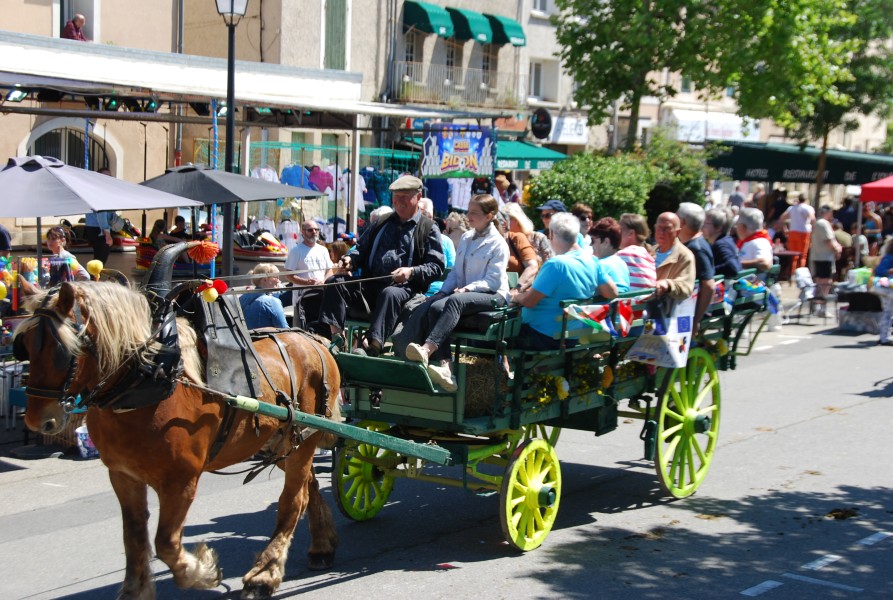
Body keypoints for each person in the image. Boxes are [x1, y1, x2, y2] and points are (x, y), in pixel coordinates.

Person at [313, 175, 445, 356]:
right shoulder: (381, 222)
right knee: (335, 282)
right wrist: (350, 259)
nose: (399, 202)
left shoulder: (429, 228)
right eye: (396, 197)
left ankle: (372, 345)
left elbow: (436, 266)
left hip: (405, 292)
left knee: (389, 293)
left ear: (418, 196)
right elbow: (360, 248)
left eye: (404, 197)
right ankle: (336, 337)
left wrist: (411, 271)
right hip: (370, 287)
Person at [402, 194, 510, 391]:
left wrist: (467, 289)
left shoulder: (499, 243)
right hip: (466, 294)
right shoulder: (467, 238)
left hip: (494, 294)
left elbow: (493, 281)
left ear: (489, 216)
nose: (469, 216)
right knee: (435, 307)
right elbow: (456, 274)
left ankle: (427, 350)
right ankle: (446, 369)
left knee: (456, 301)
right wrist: (442, 292)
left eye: (474, 213)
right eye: (468, 211)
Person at [510, 213, 617, 350]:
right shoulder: (592, 261)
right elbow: (612, 292)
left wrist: (516, 296)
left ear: (552, 234)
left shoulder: (556, 264)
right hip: (572, 336)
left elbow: (529, 302)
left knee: (491, 338)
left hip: (541, 336)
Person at [285, 220, 334, 328]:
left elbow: (329, 270)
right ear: (303, 232)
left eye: (316, 230)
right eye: (310, 230)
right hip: (301, 301)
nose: (314, 232)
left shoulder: (323, 250)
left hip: (321, 297)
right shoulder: (296, 250)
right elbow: (288, 275)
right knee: (301, 333)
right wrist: (307, 282)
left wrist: (324, 281)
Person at [677, 203, 716, 335]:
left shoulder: (697, 248)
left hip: (687, 312)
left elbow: (709, 285)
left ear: (682, 222)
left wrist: (695, 320)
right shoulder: (691, 245)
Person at [653, 212, 696, 301]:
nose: (661, 232)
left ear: (677, 232)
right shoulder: (649, 251)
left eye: (667, 228)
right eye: (659, 228)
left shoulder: (685, 256)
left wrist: (668, 284)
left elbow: (686, 287)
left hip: (664, 310)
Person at [239, 264, 290, 330]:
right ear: (265, 280)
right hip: (265, 338)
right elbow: (284, 328)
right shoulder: (273, 302)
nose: (278, 281)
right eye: (276, 277)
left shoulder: (242, 298)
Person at [616, 213, 657, 292]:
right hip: (644, 303)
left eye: (620, 230)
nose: (617, 233)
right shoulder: (649, 256)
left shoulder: (625, 254)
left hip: (628, 302)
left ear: (631, 233)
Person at [590, 217, 630, 293]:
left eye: (593, 240)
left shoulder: (599, 265)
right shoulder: (622, 263)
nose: (590, 244)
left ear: (606, 242)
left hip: (604, 304)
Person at [810, 206, 840, 302]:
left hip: (819, 256)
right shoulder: (823, 223)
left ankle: (818, 304)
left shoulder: (817, 223)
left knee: (819, 281)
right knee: (826, 282)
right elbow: (829, 240)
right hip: (824, 257)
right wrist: (837, 249)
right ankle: (821, 304)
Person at [501, 214, 539, 290]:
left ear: (504, 224)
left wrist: (516, 290)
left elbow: (532, 267)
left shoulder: (517, 238)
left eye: (492, 224)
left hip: (517, 292)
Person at [702, 207, 741, 279]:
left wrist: (706, 271)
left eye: (705, 223)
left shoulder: (721, 244)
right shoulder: (725, 240)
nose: (702, 226)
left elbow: (732, 267)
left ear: (718, 228)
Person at [781, 192, 815, 271]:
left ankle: (792, 274)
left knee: (793, 256)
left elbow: (782, 218)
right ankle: (801, 273)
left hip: (792, 232)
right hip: (804, 232)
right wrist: (813, 230)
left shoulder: (792, 208)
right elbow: (812, 219)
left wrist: (785, 229)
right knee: (803, 255)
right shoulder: (808, 208)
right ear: (806, 200)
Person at [736, 207, 774, 273]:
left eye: (737, 225)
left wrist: (736, 264)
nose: (736, 228)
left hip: (751, 282)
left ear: (743, 227)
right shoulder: (747, 241)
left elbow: (765, 263)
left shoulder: (760, 242)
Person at [874, 236, 893, 346]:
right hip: (888, 289)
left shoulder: (887, 257)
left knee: (887, 312)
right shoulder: (889, 258)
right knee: (888, 312)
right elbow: (881, 271)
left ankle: (884, 336)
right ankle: (884, 337)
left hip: (886, 288)